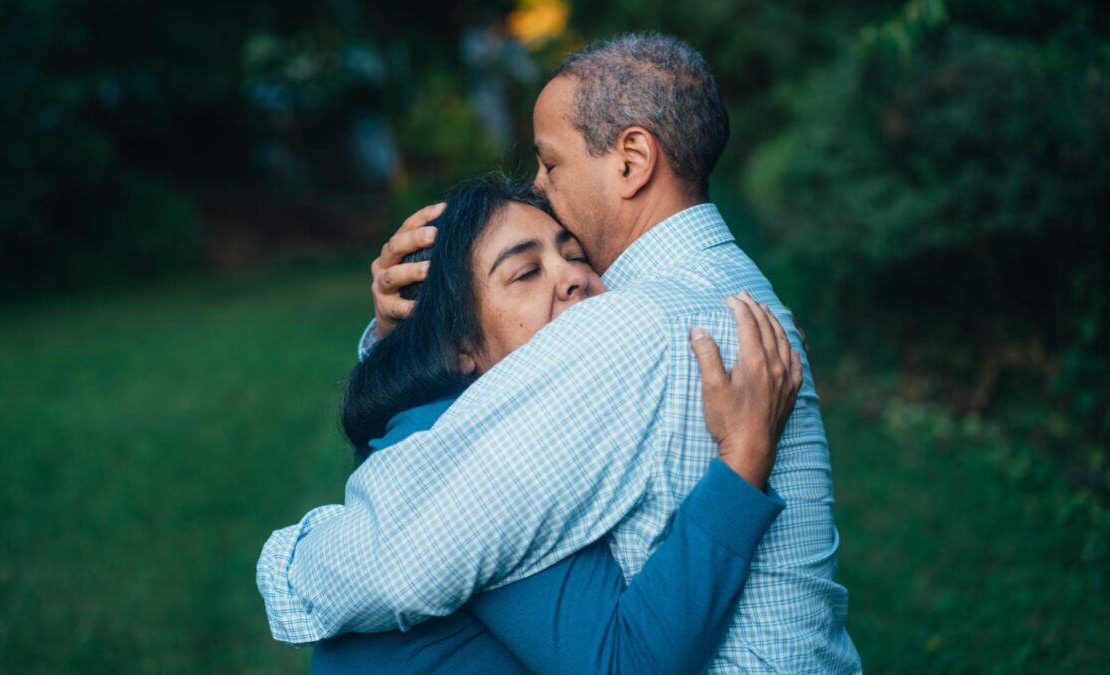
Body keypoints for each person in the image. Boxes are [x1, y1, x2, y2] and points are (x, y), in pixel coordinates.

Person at [260, 33, 861, 672]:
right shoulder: (733, 289)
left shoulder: (631, 324)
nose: (542, 188)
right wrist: (406, 331)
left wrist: (288, 563)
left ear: (632, 159)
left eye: (551, 163)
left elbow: (396, 560)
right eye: (526, 271)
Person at [305, 176, 799, 673]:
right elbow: (624, 663)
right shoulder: (480, 458)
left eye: (577, 255)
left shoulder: (469, 417)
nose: (572, 277)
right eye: (525, 273)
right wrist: (744, 457)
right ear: (459, 347)